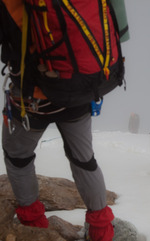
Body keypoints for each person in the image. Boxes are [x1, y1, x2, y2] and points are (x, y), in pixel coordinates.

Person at [0, 0, 128, 240]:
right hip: (79, 91)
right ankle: (101, 229)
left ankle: (33, 224)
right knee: (84, 159)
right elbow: (118, 31)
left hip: (33, 96)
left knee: (18, 156)